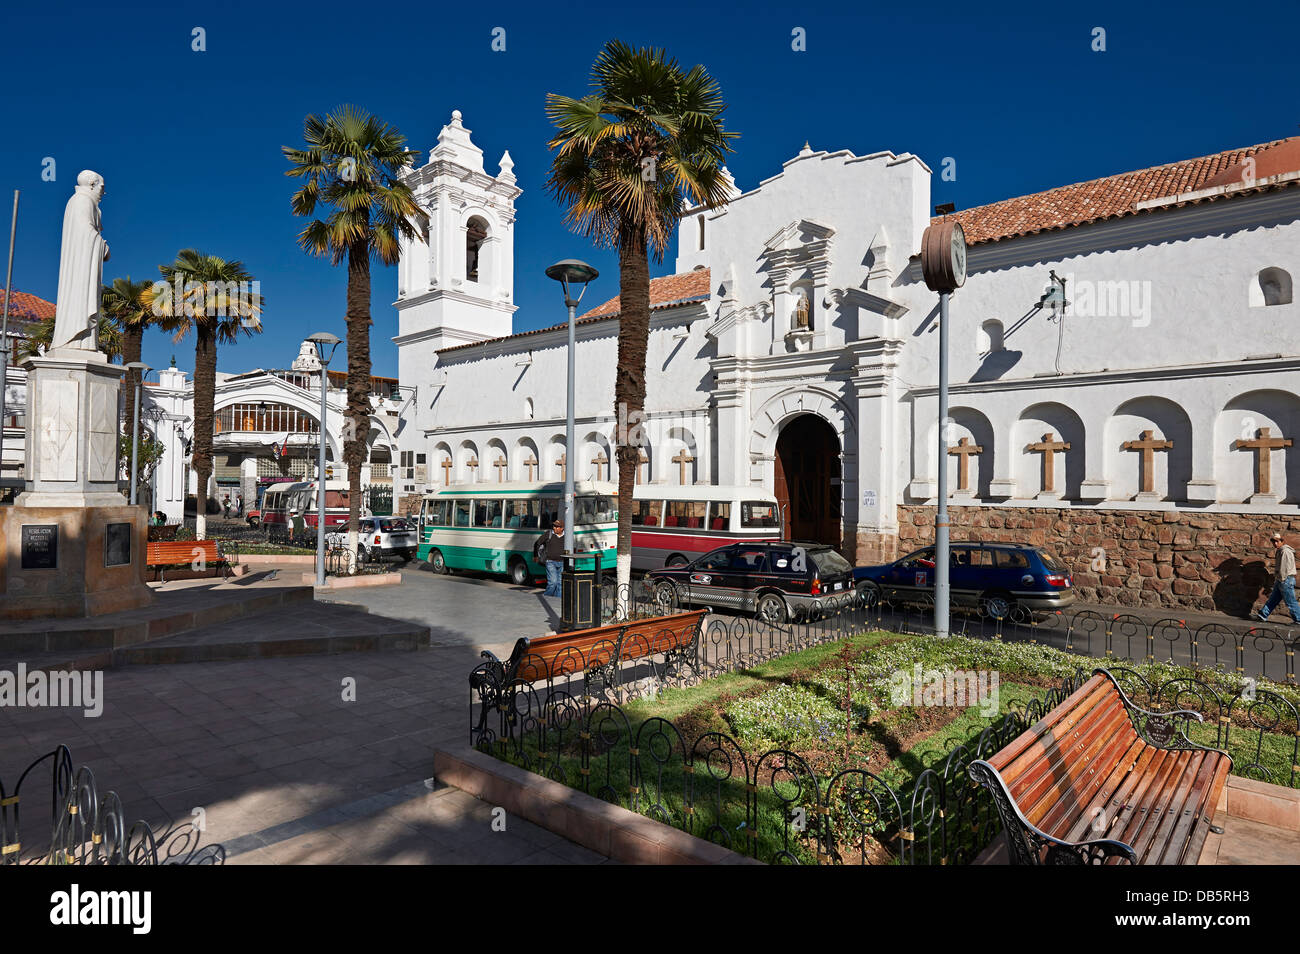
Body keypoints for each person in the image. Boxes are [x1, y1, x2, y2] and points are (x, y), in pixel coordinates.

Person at [1256, 531, 1300, 622]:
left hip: (1285, 579)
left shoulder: (1284, 551)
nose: (1275, 544)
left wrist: (1282, 580)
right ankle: (1263, 614)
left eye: (1277, 541)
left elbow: (1284, 568)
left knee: (1290, 601)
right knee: (1274, 599)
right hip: (1282, 579)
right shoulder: (1281, 550)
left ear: (1282, 541)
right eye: (1274, 542)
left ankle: (1299, 619)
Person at [537, 519, 565, 597]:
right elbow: (538, 543)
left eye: (557, 527)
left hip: (562, 563)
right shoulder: (548, 534)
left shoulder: (567, 537)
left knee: (560, 584)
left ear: (562, 528)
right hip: (550, 562)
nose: (554, 528)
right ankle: (546, 597)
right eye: (554, 526)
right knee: (553, 583)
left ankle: (557, 601)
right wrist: (536, 555)